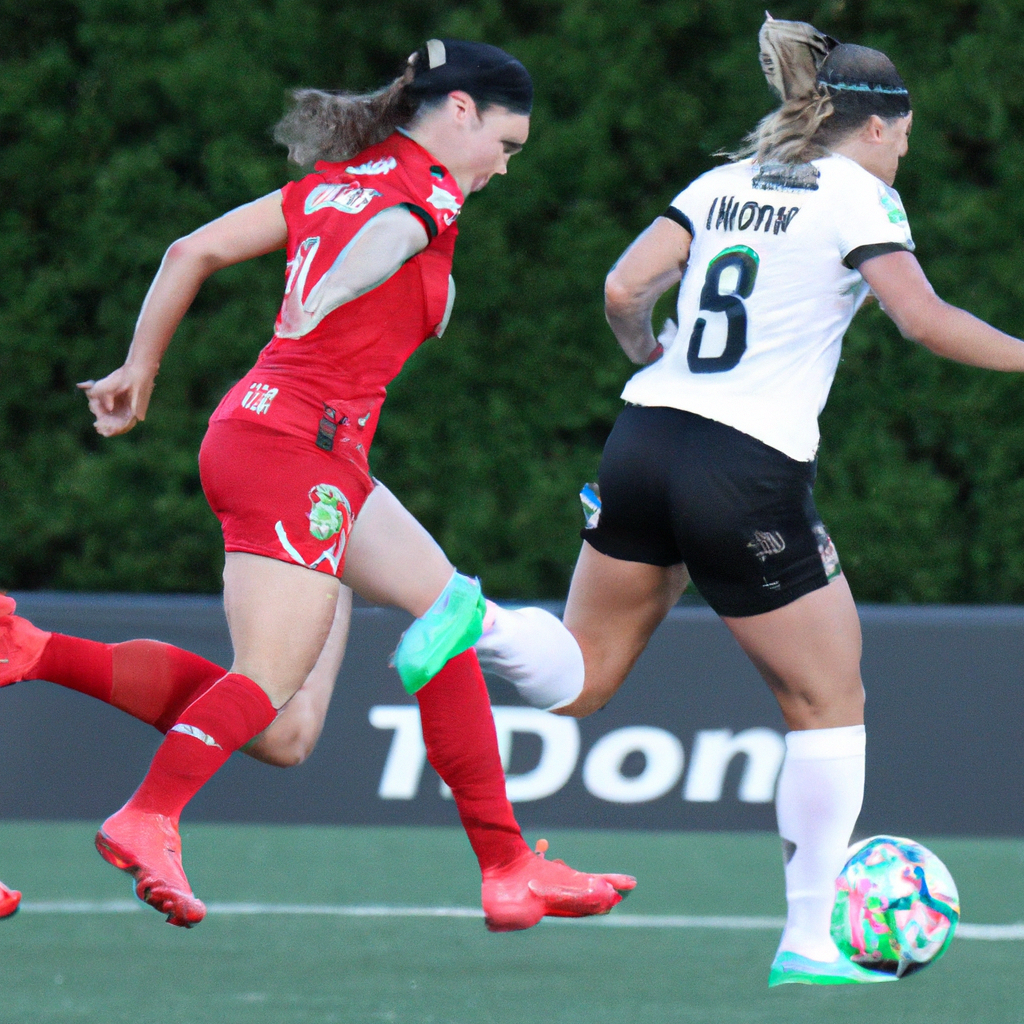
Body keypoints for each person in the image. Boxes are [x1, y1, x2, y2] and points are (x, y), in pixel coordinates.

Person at [1, 38, 634, 931]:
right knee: (263, 681)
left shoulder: (329, 183)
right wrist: (337, 285)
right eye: (507, 142)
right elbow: (390, 238)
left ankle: (507, 864)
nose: (504, 165)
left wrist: (139, 366)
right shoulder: (428, 191)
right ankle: (148, 814)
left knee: (372, 666)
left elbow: (191, 249)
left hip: (289, 443)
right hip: (296, 452)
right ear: (461, 112)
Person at [479, 15, 1024, 986]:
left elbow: (620, 288)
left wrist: (650, 356)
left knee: (584, 674)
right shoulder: (857, 195)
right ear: (874, 125)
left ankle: (463, 616)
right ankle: (808, 938)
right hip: (744, 467)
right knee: (829, 700)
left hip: (644, 436)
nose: (905, 149)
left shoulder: (722, 184)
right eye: (904, 132)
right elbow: (922, 319)